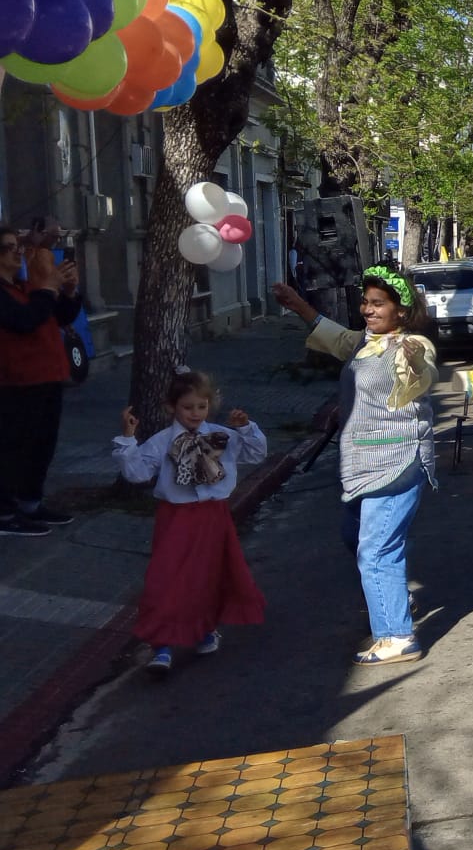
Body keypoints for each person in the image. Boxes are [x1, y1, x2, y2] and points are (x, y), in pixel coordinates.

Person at [273, 268, 438, 666]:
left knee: (376, 551)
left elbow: (422, 376)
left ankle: (397, 636)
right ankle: (397, 595)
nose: (367, 309)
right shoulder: (365, 342)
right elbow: (334, 337)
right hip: (362, 462)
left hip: (396, 460)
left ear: (400, 310)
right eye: (365, 302)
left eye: (377, 303)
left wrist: (415, 364)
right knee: (355, 534)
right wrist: (298, 306)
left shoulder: (410, 344)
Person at [112, 371, 268, 675]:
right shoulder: (162, 441)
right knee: (166, 578)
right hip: (176, 518)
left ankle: (204, 627)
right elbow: (137, 473)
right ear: (172, 408)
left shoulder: (221, 435)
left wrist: (246, 428)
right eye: (187, 407)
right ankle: (162, 644)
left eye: (201, 406)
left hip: (212, 516)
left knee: (209, 574)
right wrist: (128, 439)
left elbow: (256, 453)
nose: (195, 413)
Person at [0, 225, 81, 537]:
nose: (18, 251)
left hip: (48, 377)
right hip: (16, 383)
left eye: (17, 245)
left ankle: (31, 502)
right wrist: (48, 289)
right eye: (9, 247)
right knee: (13, 448)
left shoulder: (24, 286)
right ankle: (6, 513)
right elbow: (25, 321)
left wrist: (69, 292)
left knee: (41, 446)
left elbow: (58, 316)